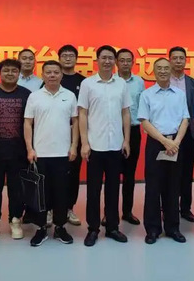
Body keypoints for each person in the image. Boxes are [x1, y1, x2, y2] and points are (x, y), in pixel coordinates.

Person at [79, 45, 132, 247]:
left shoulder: (121, 84)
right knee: (93, 190)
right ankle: (93, 229)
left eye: (111, 58)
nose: (107, 61)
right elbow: (82, 114)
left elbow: (125, 113)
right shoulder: (88, 84)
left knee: (113, 188)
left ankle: (112, 227)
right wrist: (84, 142)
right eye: (104, 57)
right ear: (97, 60)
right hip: (95, 146)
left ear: (114, 61)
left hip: (115, 145)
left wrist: (126, 140)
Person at [24, 60, 79, 246]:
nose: (52, 75)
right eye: (48, 72)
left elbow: (75, 122)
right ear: (43, 75)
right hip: (40, 153)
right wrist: (30, 148)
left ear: (61, 75)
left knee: (61, 192)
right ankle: (41, 228)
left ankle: (60, 227)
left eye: (56, 72)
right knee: (41, 194)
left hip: (63, 153)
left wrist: (74, 146)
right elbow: (28, 123)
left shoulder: (70, 96)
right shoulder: (34, 96)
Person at [139, 58, 190, 244]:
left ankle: (173, 228)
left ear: (171, 70)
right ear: (153, 71)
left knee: (173, 186)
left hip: (175, 143)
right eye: (159, 68)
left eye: (166, 68)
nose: (162, 71)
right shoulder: (147, 94)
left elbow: (185, 119)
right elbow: (144, 121)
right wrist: (164, 141)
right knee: (153, 187)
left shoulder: (179, 94)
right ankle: (153, 229)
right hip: (156, 144)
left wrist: (175, 142)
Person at [0, 59, 31, 240]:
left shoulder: (26, 94)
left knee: (16, 189)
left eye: (14, 71)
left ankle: (15, 220)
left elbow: (30, 123)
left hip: (18, 151)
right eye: (6, 71)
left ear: (19, 73)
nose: (10, 74)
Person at [113, 48, 145, 225]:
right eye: (122, 60)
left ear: (133, 62)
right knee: (111, 174)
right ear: (116, 62)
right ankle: (109, 213)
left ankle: (127, 211)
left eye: (128, 60)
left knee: (129, 174)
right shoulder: (110, 81)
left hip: (133, 131)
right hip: (113, 131)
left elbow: (143, 106)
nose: (125, 63)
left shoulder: (139, 82)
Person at [169, 46, 194, 222]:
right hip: (168, 134)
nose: (178, 61)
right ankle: (168, 207)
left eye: (181, 58)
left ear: (186, 61)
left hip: (188, 133)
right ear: (170, 60)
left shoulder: (192, 83)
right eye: (175, 58)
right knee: (169, 172)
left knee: (187, 172)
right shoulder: (164, 80)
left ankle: (185, 208)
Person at [58, 44, 86, 226]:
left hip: (76, 134)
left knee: (73, 172)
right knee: (54, 171)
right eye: (64, 55)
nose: (68, 58)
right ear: (59, 58)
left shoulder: (84, 82)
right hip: (55, 134)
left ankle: (69, 208)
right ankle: (52, 208)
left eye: (71, 55)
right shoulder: (52, 78)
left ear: (76, 59)